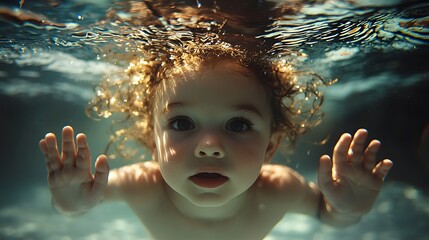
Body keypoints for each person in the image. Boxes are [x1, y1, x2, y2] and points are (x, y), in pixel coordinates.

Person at [39, 32, 393, 240]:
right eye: (181, 124)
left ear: (270, 147)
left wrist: (350, 207)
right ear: (152, 144)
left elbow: (331, 216)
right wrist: (70, 199)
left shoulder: (281, 188)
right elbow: (76, 207)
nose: (209, 146)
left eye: (238, 124)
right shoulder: (141, 184)